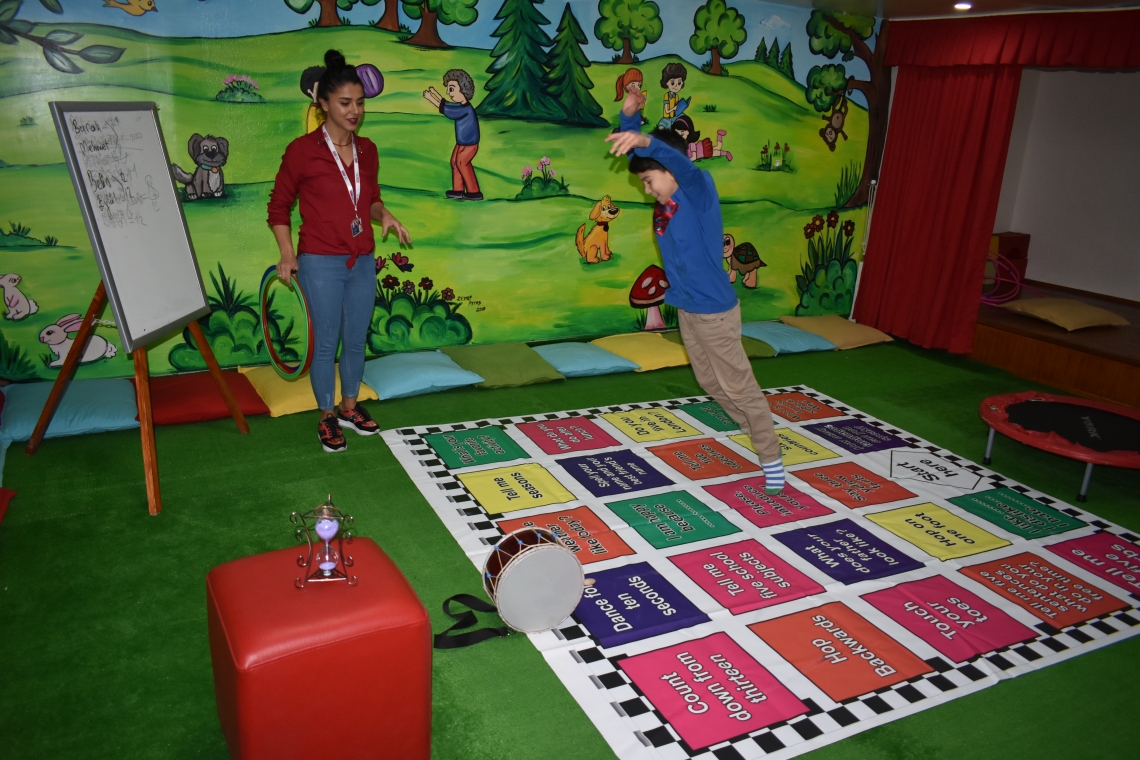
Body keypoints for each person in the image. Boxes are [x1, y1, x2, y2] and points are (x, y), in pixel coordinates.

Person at [605, 88, 784, 494]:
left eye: (649, 182)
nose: (647, 189)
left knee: (739, 386)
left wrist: (646, 139)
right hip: (688, 308)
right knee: (710, 383)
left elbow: (676, 162)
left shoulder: (698, 191)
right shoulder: (665, 196)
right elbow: (640, 157)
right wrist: (629, 118)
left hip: (715, 312)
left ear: (671, 171)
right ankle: (755, 429)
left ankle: (771, 456)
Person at [268, 49, 412, 453]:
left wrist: (385, 215)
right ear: (323, 103)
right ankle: (326, 415)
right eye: (345, 103)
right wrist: (287, 254)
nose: (355, 111)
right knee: (326, 343)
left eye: (360, 103)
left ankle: (350, 407)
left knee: (355, 339)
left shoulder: (368, 150)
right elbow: (278, 206)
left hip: (361, 260)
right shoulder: (302, 150)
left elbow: (371, 200)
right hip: (319, 262)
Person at [422, 69, 482, 201]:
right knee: (455, 162)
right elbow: (448, 105)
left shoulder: (466, 109)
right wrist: (436, 94)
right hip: (461, 143)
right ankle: (458, 190)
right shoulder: (461, 106)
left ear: (463, 89)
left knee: (462, 163)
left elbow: (449, 112)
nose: (449, 93)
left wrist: (431, 99)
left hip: (469, 144)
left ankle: (474, 192)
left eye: (452, 89)